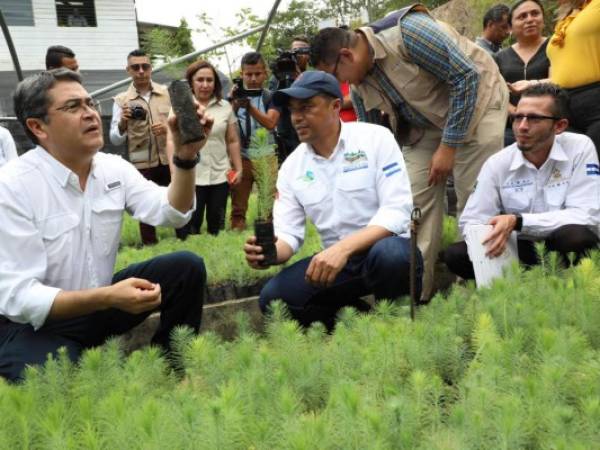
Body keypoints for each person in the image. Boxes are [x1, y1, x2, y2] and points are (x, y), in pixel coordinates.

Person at [0, 68, 212, 382]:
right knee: (55, 379)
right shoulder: (12, 186)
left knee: (186, 268)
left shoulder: (112, 169)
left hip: (98, 303)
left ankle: (170, 366)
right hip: (30, 324)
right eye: (73, 107)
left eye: (90, 104)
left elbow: (172, 212)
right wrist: (109, 297)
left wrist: (184, 156)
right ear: (37, 126)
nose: (91, 114)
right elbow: (19, 296)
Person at [311, 4, 508, 301]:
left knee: (474, 200)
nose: (343, 85)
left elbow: (466, 78)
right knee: (411, 206)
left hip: (479, 102)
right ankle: (417, 295)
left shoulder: (408, 33)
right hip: (425, 124)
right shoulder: (360, 78)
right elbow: (369, 134)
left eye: (337, 75)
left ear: (346, 56)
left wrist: (448, 146)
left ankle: (479, 290)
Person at [243, 71, 421, 330]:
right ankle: (361, 323)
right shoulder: (292, 168)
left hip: (385, 250)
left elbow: (397, 211)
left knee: (392, 255)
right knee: (274, 299)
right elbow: (289, 235)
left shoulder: (375, 139)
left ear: (336, 106)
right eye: (292, 110)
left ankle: (400, 326)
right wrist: (268, 253)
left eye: (306, 107)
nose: (296, 118)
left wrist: (342, 249)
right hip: (337, 265)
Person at [444, 83, 600, 279]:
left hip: (559, 243)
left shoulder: (579, 148)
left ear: (559, 126)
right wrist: (493, 235)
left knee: (577, 237)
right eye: (518, 117)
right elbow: (472, 220)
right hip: (516, 248)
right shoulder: (498, 163)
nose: (522, 126)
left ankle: (569, 288)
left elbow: (588, 215)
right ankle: (508, 289)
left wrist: (519, 221)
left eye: (534, 118)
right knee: (456, 254)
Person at [110, 49, 185, 244]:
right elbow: (115, 139)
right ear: (128, 70)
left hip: (168, 158)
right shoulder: (120, 100)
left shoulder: (167, 94)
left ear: (151, 68)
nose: (141, 71)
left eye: (145, 66)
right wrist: (123, 123)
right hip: (141, 162)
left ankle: (183, 237)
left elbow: (182, 127)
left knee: (177, 199)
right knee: (144, 205)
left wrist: (168, 129)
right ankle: (150, 243)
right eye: (136, 67)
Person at [176, 59, 242, 236]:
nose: (205, 85)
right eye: (200, 80)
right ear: (191, 82)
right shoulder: (181, 107)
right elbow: (172, 140)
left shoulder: (225, 107)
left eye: (209, 80)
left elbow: (233, 140)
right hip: (192, 176)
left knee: (216, 225)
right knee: (191, 225)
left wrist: (239, 168)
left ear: (215, 83)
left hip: (220, 174)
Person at [229, 52, 280, 231]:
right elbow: (225, 124)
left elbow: (270, 123)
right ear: (241, 74)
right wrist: (234, 102)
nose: (252, 78)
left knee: (268, 200)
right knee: (238, 202)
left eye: (257, 74)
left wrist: (249, 107)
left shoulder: (271, 96)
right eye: (248, 74)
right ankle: (236, 230)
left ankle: (268, 229)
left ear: (265, 74)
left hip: (266, 154)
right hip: (241, 157)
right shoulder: (233, 96)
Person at [547, 0, 600, 155]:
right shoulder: (567, 18)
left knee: (593, 164)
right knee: (571, 168)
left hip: (595, 100)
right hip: (562, 104)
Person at [494, 0, 550, 146]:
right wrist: (516, 112)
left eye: (535, 14)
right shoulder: (501, 57)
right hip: (512, 127)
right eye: (522, 16)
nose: (530, 19)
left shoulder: (555, 46)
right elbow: (495, 93)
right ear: (510, 27)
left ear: (543, 19)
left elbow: (562, 81)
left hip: (550, 123)